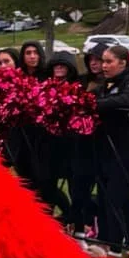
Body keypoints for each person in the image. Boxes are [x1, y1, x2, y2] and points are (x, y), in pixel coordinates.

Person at [90, 41, 129, 256]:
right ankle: (127, 243)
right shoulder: (106, 84)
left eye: (109, 61)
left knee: (115, 197)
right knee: (120, 199)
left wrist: (95, 105)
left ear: (123, 63)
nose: (104, 66)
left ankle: (114, 246)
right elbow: (97, 98)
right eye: (103, 61)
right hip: (109, 150)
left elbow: (128, 99)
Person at [4, 42, 61, 213]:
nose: (32, 56)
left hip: (43, 137)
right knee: (26, 180)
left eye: (35, 52)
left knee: (45, 181)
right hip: (22, 135)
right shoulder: (17, 77)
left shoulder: (47, 76)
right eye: (28, 53)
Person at [49, 54, 97, 235]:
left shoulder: (78, 85)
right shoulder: (47, 85)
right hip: (53, 145)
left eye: (64, 66)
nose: (59, 69)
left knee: (78, 189)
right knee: (48, 184)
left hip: (77, 145)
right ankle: (67, 220)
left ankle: (80, 227)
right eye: (56, 65)